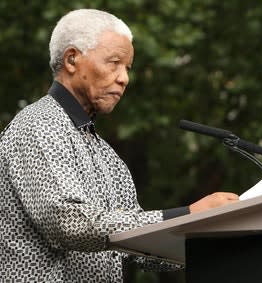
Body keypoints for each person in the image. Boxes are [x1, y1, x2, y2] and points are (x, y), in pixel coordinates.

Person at [0, 9, 239, 281]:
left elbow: (139, 248)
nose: (124, 78)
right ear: (72, 59)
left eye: (127, 68)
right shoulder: (38, 124)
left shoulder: (108, 156)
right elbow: (67, 222)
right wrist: (188, 214)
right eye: (114, 63)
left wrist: (210, 233)